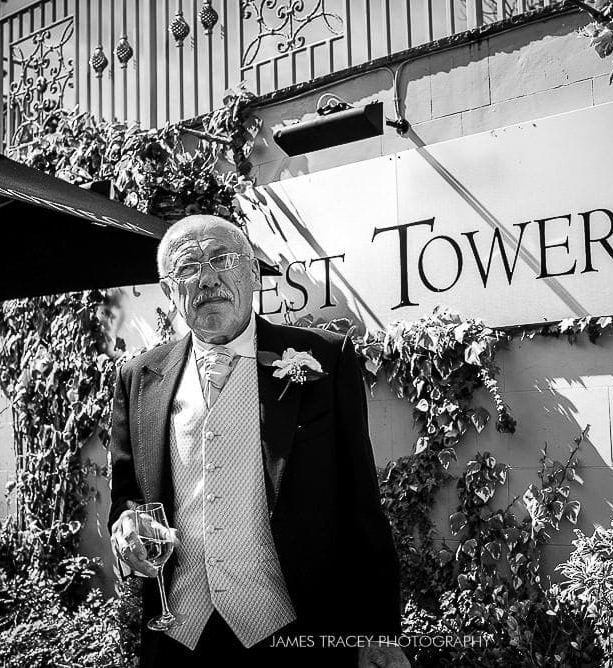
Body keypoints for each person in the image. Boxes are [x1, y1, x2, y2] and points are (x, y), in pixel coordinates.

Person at [108, 215, 408, 667]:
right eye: (187, 267)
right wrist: (127, 527)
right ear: (170, 291)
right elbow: (129, 498)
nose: (207, 277)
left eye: (222, 259)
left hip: (295, 634)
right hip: (179, 639)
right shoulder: (139, 378)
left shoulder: (326, 359)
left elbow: (361, 504)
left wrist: (377, 632)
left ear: (252, 273)